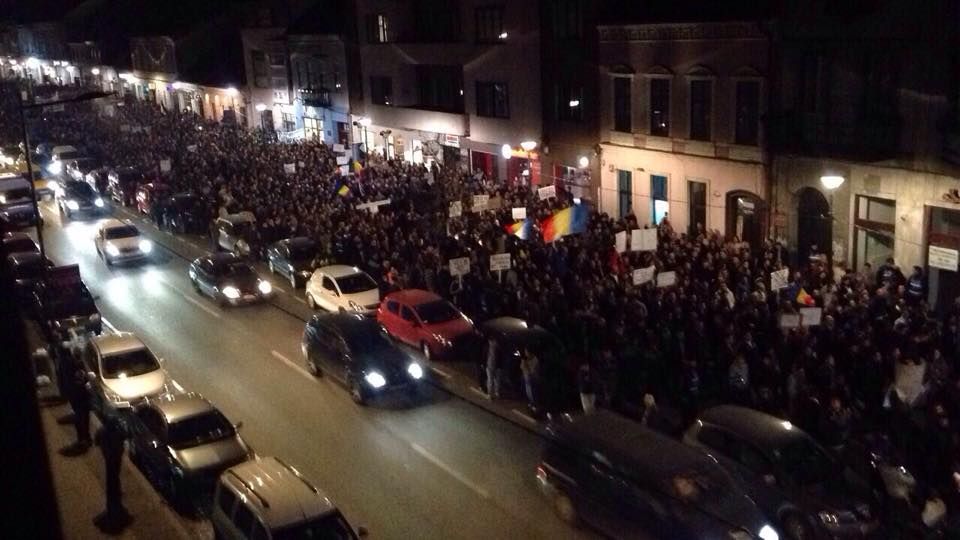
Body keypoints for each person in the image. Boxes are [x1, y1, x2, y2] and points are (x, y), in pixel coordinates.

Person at [93, 418, 131, 531]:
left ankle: (113, 510)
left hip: (109, 459)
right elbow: (127, 435)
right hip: (116, 459)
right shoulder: (118, 432)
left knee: (111, 483)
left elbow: (96, 441)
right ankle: (116, 508)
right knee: (114, 480)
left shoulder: (102, 431)